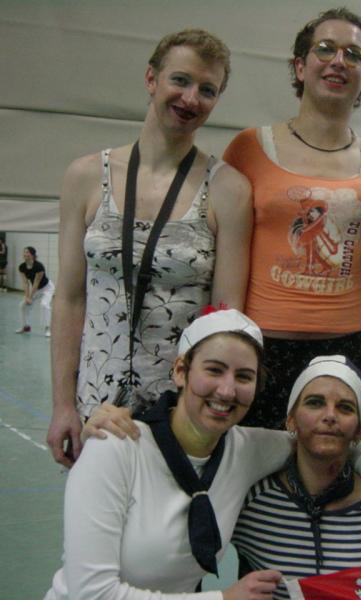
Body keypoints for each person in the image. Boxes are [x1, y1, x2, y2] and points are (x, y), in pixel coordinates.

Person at [45, 309, 361, 600]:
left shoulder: (247, 449)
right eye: (214, 370)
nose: (226, 390)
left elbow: (328, 439)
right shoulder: (115, 446)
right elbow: (91, 593)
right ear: (181, 371)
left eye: (243, 377)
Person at [47, 29, 253, 468]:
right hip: (95, 408)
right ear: (151, 79)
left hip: (181, 412)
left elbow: (226, 316)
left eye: (208, 90)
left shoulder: (229, 190)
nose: (191, 98)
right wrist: (63, 404)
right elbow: (69, 298)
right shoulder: (85, 176)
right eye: (180, 80)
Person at [223, 8, 361, 440]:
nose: (339, 61)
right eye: (325, 49)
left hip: (344, 346)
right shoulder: (248, 148)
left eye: (353, 55)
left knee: (340, 466)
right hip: (262, 345)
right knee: (254, 465)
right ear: (300, 67)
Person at [233, 356, 361, 599]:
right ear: (291, 420)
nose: (330, 415)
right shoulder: (251, 503)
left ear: (358, 431)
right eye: (315, 403)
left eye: (345, 407)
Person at [16, 246, 55, 336]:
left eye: (27, 252)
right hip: (37, 289)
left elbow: (36, 283)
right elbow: (25, 283)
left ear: (32, 255)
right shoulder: (22, 267)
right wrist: (27, 297)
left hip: (47, 288)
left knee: (44, 305)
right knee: (23, 305)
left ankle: (48, 329)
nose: (25, 254)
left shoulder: (39, 266)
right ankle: (26, 327)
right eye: (24, 252)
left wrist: (30, 297)